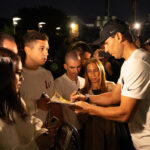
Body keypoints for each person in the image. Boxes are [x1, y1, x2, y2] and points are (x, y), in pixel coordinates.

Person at [70, 19, 150, 150]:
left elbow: (124, 113)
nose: (105, 49)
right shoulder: (129, 63)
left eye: (106, 43)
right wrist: (87, 98)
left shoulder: (138, 64)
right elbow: (114, 96)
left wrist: (89, 109)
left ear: (118, 36)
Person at [0, 47, 55, 150]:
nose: (22, 78)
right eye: (18, 73)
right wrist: (35, 146)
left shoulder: (15, 99)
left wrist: (42, 133)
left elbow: (27, 120)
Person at [20, 31, 63, 126]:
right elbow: (10, 110)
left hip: (46, 134)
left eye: (47, 49)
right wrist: (36, 104)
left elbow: (53, 103)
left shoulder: (47, 74)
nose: (46, 53)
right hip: (24, 137)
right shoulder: (16, 77)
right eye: (41, 49)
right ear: (28, 50)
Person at [79, 58, 118, 150]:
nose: (93, 74)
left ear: (101, 70)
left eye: (95, 70)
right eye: (89, 71)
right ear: (86, 74)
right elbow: (81, 119)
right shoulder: (83, 92)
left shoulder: (111, 86)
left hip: (112, 131)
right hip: (93, 134)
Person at [54, 50, 85, 133]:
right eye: (72, 67)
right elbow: (56, 109)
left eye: (78, 67)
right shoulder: (58, 83)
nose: (76, 71)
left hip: (85, 127)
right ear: (65, 66)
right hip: (68, 130)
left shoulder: (84, 81)